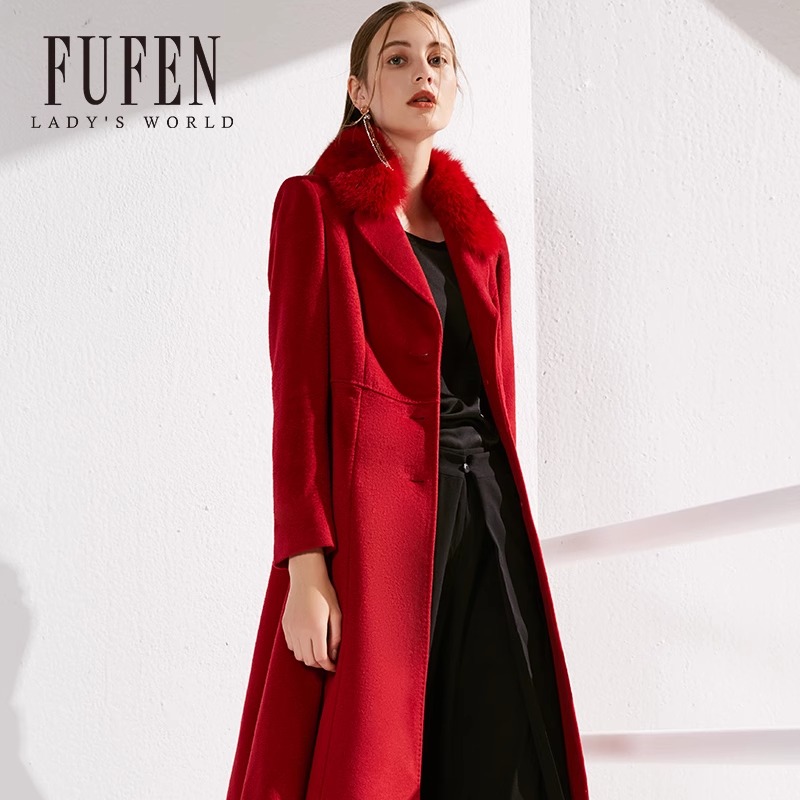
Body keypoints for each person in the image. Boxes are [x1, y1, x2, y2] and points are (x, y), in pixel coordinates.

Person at [226, 4, 590, 799]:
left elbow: (497, 403)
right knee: (373, 758)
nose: (423, 70)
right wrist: (305, 564)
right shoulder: (314, 209)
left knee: (506, 748)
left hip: (487, 516)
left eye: (438, 58)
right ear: (359, 90)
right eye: (397, 58)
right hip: (374, 537)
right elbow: (297, 401)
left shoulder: (482, 240)